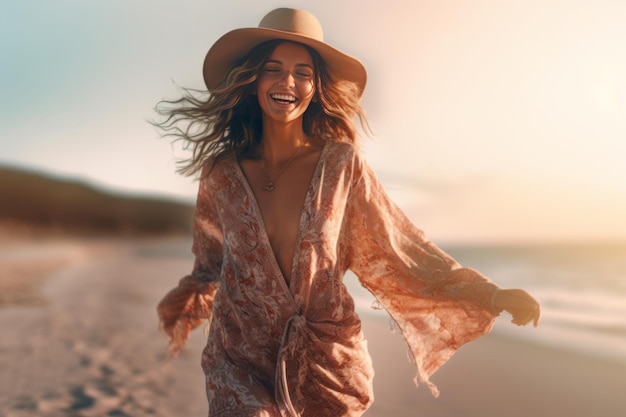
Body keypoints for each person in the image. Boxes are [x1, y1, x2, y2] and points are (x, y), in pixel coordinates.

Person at [155, 8, 540, 417]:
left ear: (317, 87)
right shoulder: (221, 174)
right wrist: (180, 308)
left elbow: (403, 251)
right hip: (239, 356)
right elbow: (211, 261)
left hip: (327, 362)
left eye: (303, 73)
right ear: (253, 79)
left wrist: (489, 294)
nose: (288, 82)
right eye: (274, 69)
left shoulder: (341, 164)